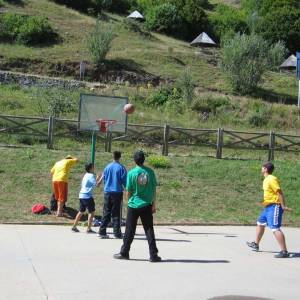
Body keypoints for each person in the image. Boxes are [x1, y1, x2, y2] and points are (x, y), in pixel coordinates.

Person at [114, 150, 161, 262]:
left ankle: (124, 252)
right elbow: (154, 189)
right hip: (146, 204)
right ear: (144, 160)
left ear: (135, 160)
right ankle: (153, 255)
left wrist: (128, 200)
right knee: (149, 229)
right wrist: (154, 204)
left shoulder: (131, 173)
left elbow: (128, 190)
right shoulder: (150, 172)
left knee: (130, 229)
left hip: (134, 205)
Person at [247, 162, 291, 258]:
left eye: (262, 167)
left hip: (275, 206)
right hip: (268, 207)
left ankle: (284, 251)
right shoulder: (266, 179)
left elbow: (279, 192)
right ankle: (256, 243)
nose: (261, 169)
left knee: (275, 228)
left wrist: (283, 206)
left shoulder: (271, 179)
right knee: (260, 223)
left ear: (266, 169)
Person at [98, 151, 127, 239]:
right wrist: (127, 189)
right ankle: (117, 233)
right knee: (116, 213)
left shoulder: (107, 167)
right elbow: (125, 181)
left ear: (113, 157)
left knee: (106, 212)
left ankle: (102, 231)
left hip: (107, 192)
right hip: (117, 192)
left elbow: (105, 179)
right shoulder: (121, 168)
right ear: (120, 157)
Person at [72, 163, 101, 233]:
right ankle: (88, 228)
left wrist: (97, 178)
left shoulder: (86, 175)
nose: (94, 169)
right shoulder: (91, 175)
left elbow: (92, 183)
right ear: (90, 168)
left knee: (81, 211)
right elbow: (97, 185)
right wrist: (101, 177)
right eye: (93, 167)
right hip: (87, 196)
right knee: (91, 212)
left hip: (81, 195)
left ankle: (74, 226)